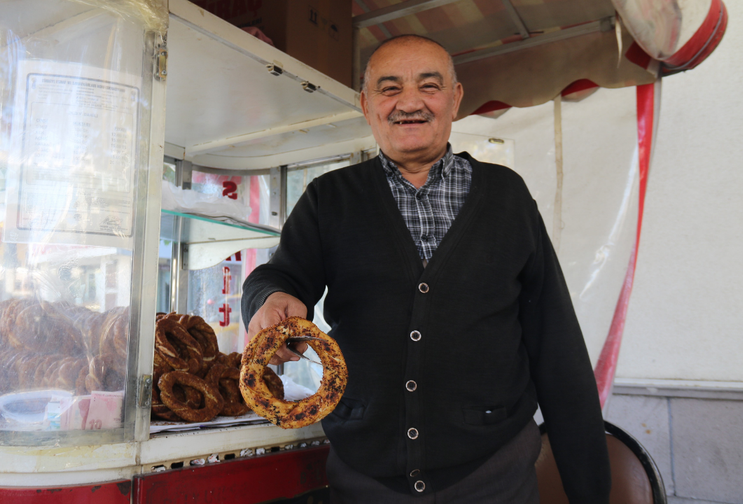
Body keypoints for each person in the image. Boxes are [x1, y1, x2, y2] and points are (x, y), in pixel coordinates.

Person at [241, 34, 611, 503]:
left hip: (493, 475)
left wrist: (590, 489)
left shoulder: (506, 196)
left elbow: (555, 342)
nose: (409, 103)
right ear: (366, 103)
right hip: (365, 479)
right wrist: (269, 300)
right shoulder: (329, 198)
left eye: (429, 86)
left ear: (455, 99)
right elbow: (280, 277)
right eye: (389, 88)